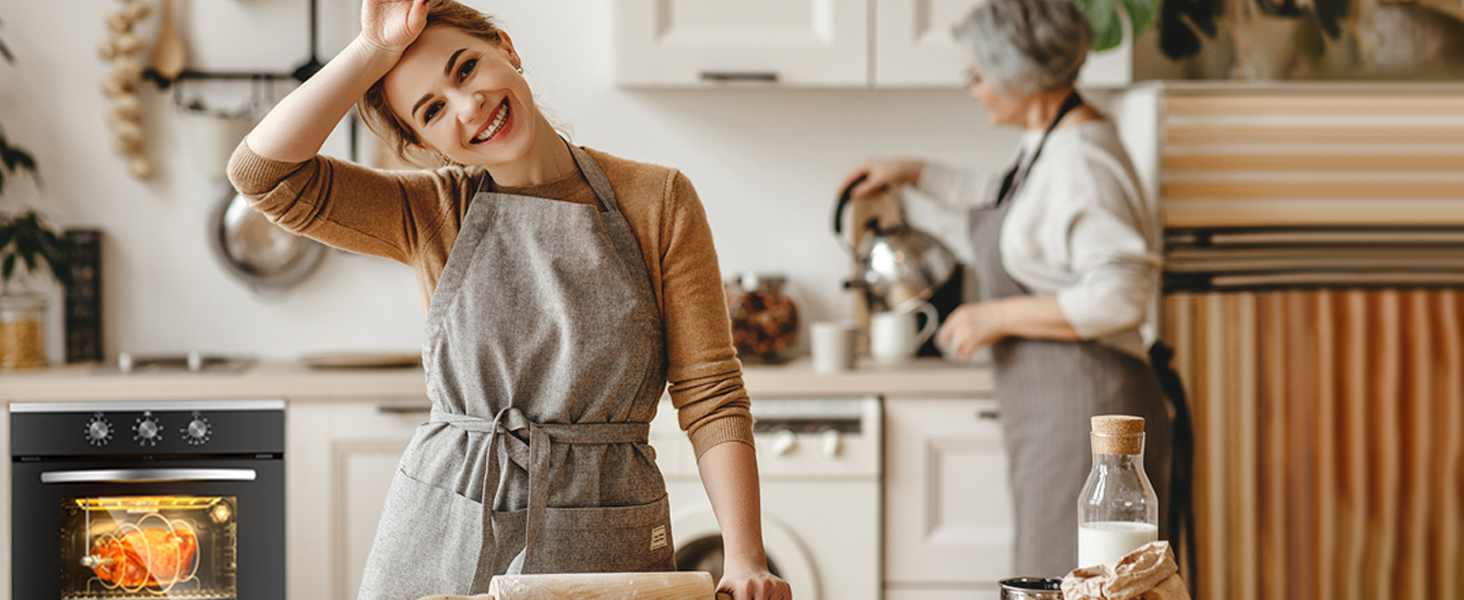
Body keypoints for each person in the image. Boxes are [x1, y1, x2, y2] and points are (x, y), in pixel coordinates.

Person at [226, 1, 791, 599]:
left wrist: (745, 557)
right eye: (433, 110)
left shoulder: (659, 199)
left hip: (605, 520)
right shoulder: (432, 212)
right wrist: (372, 49)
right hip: (444, 524)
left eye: (465, 69)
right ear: (426, 143)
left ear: (507, 46)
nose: (468, 107)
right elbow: (260, 173)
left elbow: (710, 391)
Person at [837, 0, 1174, 579]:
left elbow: (1121, 295)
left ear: (1021, 72)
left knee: (1073, 583)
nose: (973, 88)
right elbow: (1006, 196)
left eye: (977, 74)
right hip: (1059, 412)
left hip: (1086, 411)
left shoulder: (1084, 162)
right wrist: (915, 171)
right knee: (1055, 580)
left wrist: (994, 317)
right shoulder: (1050, 139)